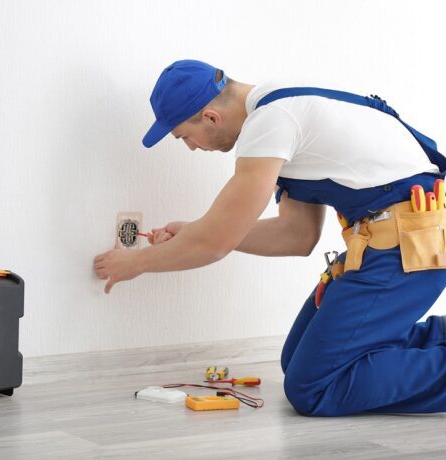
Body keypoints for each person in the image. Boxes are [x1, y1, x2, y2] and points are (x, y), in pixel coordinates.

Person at [94, 59, 446, 416]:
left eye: (184, 136)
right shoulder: (279, 113)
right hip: (389, 244)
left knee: (314, 386)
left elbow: (214, 244)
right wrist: (194, 230)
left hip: (412, 245)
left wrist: (135, 262)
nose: (191, 148)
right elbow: (297, 236)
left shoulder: (271, 122)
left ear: (211, 117)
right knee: (295, 360)